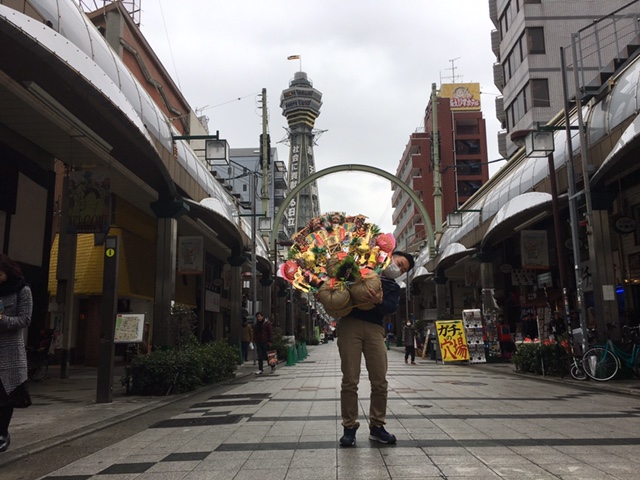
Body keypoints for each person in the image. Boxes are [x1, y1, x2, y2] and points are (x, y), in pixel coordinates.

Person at [337, 250, 414, 447]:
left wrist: (378, 301)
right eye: (399, 262)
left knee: (379, 380)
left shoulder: (393, 287)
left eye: (403, 268)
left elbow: (391, 307)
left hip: (375, 329)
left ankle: (377, 426)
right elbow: (340, 284)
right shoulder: (363, 269)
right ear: (390, 257)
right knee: (350, 380)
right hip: (350, 325)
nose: (399, 268)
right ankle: (349, 428)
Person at [0, 254, 33, 453]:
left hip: (10, 351)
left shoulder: (22, 290)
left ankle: (2, 432)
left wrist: (3, 319)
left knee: (6, 394)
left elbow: (25, 319)